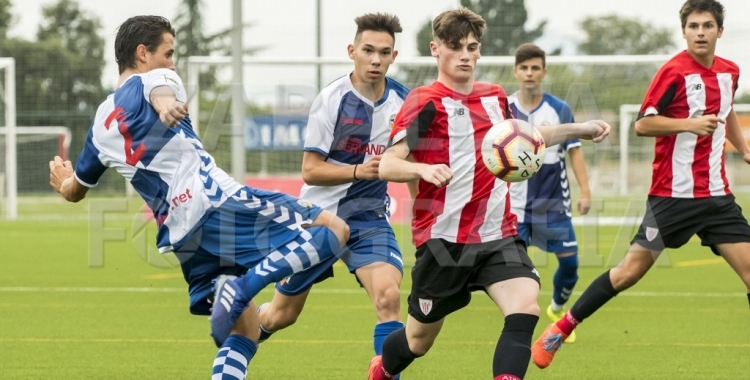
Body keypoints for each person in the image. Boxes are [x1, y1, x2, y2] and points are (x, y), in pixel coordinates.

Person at [48, 15, 349, 380]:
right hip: (214, 202)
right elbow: (160, 92)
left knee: (247, 328)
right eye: (168, 53)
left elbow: (76, 191)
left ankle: (235, 295)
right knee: (334, 229)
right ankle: (242, 286)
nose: (172, 62)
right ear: (143, 53)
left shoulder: (98, 126)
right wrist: (164, 106)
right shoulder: (156, 77)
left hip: (182, 237)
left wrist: (64, 181)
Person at [366, 7, 610, 380]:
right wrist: (421, 168)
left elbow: (529, 134)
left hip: (499, 233)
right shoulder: (425, 102)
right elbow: (387, 164)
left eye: (472, 47)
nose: (465, 55)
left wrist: (581, 128)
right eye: (455, 46)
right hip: (443, 240)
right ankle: (383, 368)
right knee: (417, 341)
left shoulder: (494, 97)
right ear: (435, 49)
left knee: (525, 307)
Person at [531, 0, 750, 370]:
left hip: (717, 198)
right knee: (628, 272)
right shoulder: (673, 73)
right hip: (671, 197)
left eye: (707, 25)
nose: (700, 32)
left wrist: (744, 148)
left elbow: (726, 111)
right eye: (693, 26)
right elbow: (643, 125)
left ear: (719, 31)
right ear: (683, 31)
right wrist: (688, 124)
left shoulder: (731, 72)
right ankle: (562, 327)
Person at [255, 13, 408, 376]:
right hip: (318, 218)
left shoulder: (404, 101)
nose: (375, 59)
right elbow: (310, 170)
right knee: (281, 316)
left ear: (393, 56)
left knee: (388, 297)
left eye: (384, 53)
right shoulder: (332, 99)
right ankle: (240, 333)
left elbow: (409, 161)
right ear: (352, 51)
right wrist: (358, 170)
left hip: (369, 218)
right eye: (368, 50)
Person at [508, 43, 593, 344]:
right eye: (524, 68)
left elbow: (575, 153)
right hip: (513, 208)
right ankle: (518, 323)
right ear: (516, 72)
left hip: (553, 205)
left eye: (535, 68)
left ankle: (557, 309)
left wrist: (585, 190)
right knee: (511, 271)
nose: (529, 73)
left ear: (544, 71)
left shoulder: (559, 109)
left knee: (570, 265)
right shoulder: (504, 107)